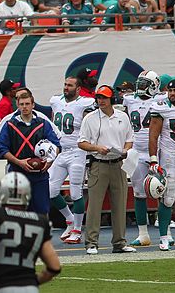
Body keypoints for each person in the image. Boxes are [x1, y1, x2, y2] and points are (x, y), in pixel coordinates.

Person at [0, 172, 61, 293]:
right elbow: (54, 267)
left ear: (2, 193)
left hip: (3, 287)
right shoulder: (40, 220)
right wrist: (34, 281)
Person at [79, 85, 136, 255]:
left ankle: (119, 242)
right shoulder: (90, 118)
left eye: (104, 97)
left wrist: (125, 150)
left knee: (120, 205)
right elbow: (81, 142)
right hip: (99, 163)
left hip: (119, 163)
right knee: (94, 205)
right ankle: (91, 243)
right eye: (98, 97)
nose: (101, 101)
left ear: (111, 99)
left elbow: (129, 139)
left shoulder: (122, 117)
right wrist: (97, 147)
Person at [0, 92, 61, 214]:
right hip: (17, 174)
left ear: (33, 105)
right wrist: (19, 162)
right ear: (17, 106)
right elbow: (1, 148)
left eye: (27, 104)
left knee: (42, 211)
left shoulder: (43, 123)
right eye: (21, 104)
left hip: (40, 175)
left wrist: (50, 161)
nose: (24, 107)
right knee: (18, 212)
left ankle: (43, 233)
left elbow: (56, 145)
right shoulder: (10, 124)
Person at [49, 76, 95, 244]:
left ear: (78, 89)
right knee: (51, 190)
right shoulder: (55, 101)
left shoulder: (85, 103)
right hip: (60, 151)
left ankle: (77, 229)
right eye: (65, 84)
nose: (66, 87)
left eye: (70, 85)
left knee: (76, 191)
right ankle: (69, 219)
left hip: (77, 151)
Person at [124, 71, 166, 247]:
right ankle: (143, 234)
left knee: (164, 192)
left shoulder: (162, 100)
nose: (140, 88)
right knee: (139, 193)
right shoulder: (129, 99)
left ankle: (166, 233)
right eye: (139, 84)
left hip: (157, 150)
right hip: (137, 152)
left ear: (154, 85)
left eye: (144, 84)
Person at [149, 79, 175, 251]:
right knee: (168, 197)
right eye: (170, 90)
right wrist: (153, 158)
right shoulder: (162, 107)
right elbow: (153, 135)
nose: (172, 94)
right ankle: (164, 236)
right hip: (169, 155)